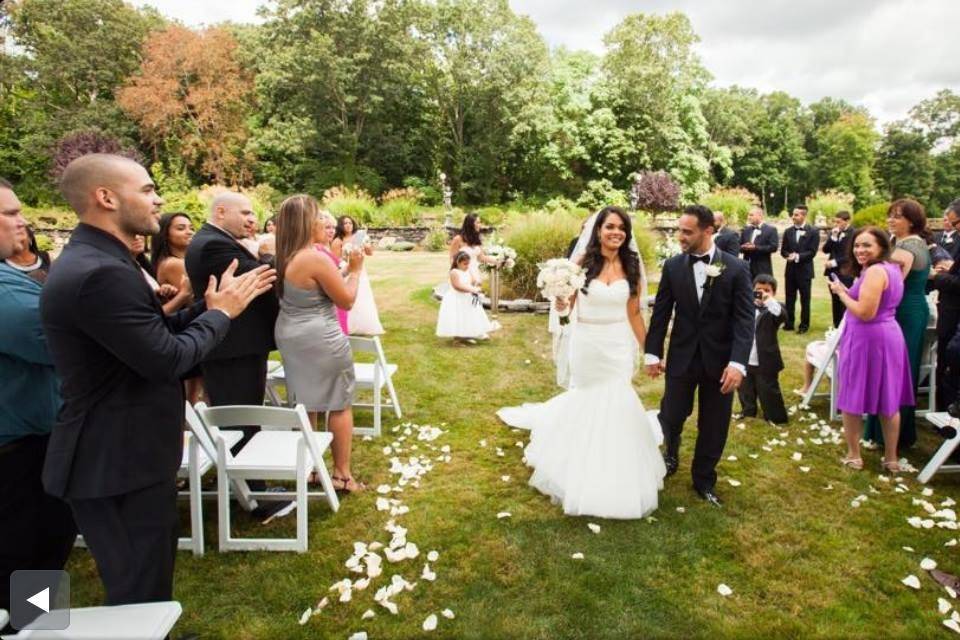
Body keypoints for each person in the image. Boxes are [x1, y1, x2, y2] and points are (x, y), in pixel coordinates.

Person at [40, 153, 275, 606]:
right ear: (106, 197)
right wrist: (221, 315)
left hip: (126, 454)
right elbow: (166, 359)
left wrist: (205, 309)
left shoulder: (104, 260)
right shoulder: (100, 272)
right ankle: (38, 625)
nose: (159, 198)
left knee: (148, 576)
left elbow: (147, 338)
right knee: (134, 586)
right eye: (147, 189)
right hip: (116, 460)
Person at [497, 206, 665, 519]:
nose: (616, 233)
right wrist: (560, 300)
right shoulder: (580, 265)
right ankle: (578, 465)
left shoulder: (631, 266)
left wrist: (651, 352)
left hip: (617, 345)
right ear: (597, 231)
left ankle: (617, 466)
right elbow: (565, 308)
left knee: (618, 397)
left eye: (621, 228)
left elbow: (634, 313)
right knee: (589, 398)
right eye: (610, 227)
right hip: (588, 343)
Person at [0, 179, 76, 631]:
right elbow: (63, 342)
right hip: (20, 451)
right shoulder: (7, 294)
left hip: (26, 438)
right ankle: (34, 627)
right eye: (9, 213)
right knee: (35, 548)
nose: (21, 220)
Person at [646, 204, 754, 508]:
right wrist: (653, 352)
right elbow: (662, 314)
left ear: (709, 231)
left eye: (687, 231)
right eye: (680, 230)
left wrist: (737, 363)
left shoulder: (736, 268)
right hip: (681, 357)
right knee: (672, 414)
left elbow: (745, 321)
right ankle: (670, 454)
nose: (680, 236)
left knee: (714, 423)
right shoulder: (672, 267)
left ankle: (704, 479)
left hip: (720, 363)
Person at [274, 195, 365, 493]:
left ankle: (313, 469)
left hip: (291, 334)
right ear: (304, 223)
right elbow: (347, 300)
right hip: (319, 336)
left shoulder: (286, 253)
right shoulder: (312, 257)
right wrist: (355, 269)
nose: (326, 222)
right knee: (338, 401)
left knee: (306, 403)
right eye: (318, 217)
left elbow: (315, 287)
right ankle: (342, 475)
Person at [185, 192, 280, 452]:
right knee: (240, 417)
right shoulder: (213, 245)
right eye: (245, 213)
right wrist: (268, 255)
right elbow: (262, 277)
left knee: (246, 411)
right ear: (221, 212)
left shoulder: (215, 239)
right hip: (233, 345)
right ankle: (247, 486)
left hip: (237, 343)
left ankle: (245, 480)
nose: (252, 219)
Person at [828, 226, 913, 472]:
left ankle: (854, 455)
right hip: (889, 335)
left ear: (881, 247)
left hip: (868, 338)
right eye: (856, 245)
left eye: (867, 245)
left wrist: (841, 293)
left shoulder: (876, 271)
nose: (860, 250)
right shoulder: (892, 268)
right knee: (889, 398)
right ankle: (891, 458)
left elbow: (865, 313)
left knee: (853, 394)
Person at [863, 199, 931, 450]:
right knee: (899, 370)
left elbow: (889, 285)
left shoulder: (906, 248)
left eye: (898, 216)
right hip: (910, 309)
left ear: (912, 221)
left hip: (903, 313)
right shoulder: (907, 243)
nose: (891, 220)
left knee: (894, 371)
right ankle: (892, 431)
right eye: (890, 215)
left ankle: (890, 435)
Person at [152, 212, 203, 404]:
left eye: (190, 227)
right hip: (184, 328)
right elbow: (192, 298)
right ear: (166, 234)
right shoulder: (175, 264)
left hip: (178, 327)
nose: (189, 232)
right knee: (194, 394)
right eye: (181, 228)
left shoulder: (169, 261)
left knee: (192, 392)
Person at [737, 274, 788, 424]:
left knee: (768, 389)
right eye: (758, 290)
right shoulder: (745, 306)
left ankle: (775, 416)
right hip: (746, 356)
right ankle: (748, 411)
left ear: (774, 293)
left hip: (765, 359)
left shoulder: (775, 309)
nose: (762, 293)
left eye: (767, 290)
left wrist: (768, 300)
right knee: (745, 388)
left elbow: (782, 316)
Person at [930, 199, 960, 411]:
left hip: (954, 310)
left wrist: (937, 277)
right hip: (949, 307)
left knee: (950, 356)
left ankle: (946, 408)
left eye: (955, 223)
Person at [333, 215, 384, 335]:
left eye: (350, 223)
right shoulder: (338, 240)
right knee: (349, 295)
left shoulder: (360, 236)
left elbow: (370, 253)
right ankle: (349, 325)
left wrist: (367, 246)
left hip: (360, 270)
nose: (348, 225)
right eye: (345, 223)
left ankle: (366, 324)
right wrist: (346, 259)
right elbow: (335, 259)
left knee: (363, 295)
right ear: (341, 225)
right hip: (345, 270)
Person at [436, 252, 499, 343]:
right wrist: (472, 290)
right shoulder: (454, 272)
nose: (467, 266)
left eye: (468, 263)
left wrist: (476, 283)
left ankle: (467, 335)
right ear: (458, 262)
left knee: (468, 316)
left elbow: (472, 281)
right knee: (458, 317)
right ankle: (457, 339)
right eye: (465, 264)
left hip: (467, 297)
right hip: (456, 298)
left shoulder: (467, 270)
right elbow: (458, 286)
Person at [780, 204, 820, 334]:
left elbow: (812, 252)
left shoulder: (813, 231)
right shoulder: (788, 231)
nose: (793, 217)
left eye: (796, 214)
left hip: (805, 272)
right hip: (790, 271)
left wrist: (797, 256)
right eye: (793, 214)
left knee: (805, 299)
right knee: (789, 298)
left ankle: (804, 325)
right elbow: (783, 251)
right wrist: (788, 255)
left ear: (804, 215)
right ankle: (789, 323)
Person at [314, 210, 349, 333]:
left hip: (337, 297)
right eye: (327, 227)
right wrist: (351, 268)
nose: (331, 231)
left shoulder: (328, 248)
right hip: (330, 301)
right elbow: (329, 278)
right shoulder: (317, 249)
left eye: (333, 227)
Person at [822, 210, 855, 328]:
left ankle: (845, 326)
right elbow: (825, 250)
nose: (836, 225)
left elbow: (851, 254)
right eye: (835, 222)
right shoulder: (834, 232)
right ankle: (836, 326)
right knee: (835, 300)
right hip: (832, 272)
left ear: (847, 221)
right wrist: (833, 237)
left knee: (844, 300)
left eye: (839, 222)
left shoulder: (853, 233)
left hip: (845, 272)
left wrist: (834, 262)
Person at [449, 212, 494, 284]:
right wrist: (466, 273)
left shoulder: (477, 239)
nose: (480, 225)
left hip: (475, 272)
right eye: (478, 223)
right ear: (470, 224)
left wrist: (498, 260)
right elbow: (452, 259)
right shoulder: (458, 239)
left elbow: (481, 258)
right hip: (463, 273)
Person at [739, 206, 778, 278]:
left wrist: (755, 247)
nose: (748, 217)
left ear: (760, 216)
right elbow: (739, 246)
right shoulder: (746, 230)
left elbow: (773, 247)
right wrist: (743, 247)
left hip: (762, 268)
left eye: (751, 215)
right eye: (748, 215)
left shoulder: (770, 229)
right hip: (746, 268)